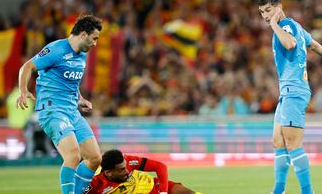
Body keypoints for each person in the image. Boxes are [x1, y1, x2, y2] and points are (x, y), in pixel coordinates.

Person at [258, 0, 322, 194]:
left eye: (268, 10)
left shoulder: (284, 26)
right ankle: (278, 190)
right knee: (278, 142)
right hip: (287, 92)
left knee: (293, 144)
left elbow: (290, 44)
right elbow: (312, 43)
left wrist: (274, 25)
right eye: (262, 12)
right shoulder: (295, 25)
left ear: (279, 6)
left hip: (294, 91)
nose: (264, 16)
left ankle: (307, 192)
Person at [16, 15, 103, 194]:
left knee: (95, 158)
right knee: (73, 155)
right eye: (94, 38)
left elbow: (71, 82)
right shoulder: (56, 49)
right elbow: (27, 67)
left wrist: (80, 98)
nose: (95, 43)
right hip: (52, 110)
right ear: (83, 34)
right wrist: (23, 91)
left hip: (72, 111)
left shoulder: (82, 55)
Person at [84, 149, 201, 194]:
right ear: (109, 172)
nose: (127, 170)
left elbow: (160, 166)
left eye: (125, 167)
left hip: (153, 186)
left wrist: (163, 193)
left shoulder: (128, 161)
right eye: (122, 169)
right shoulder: (95, 182)